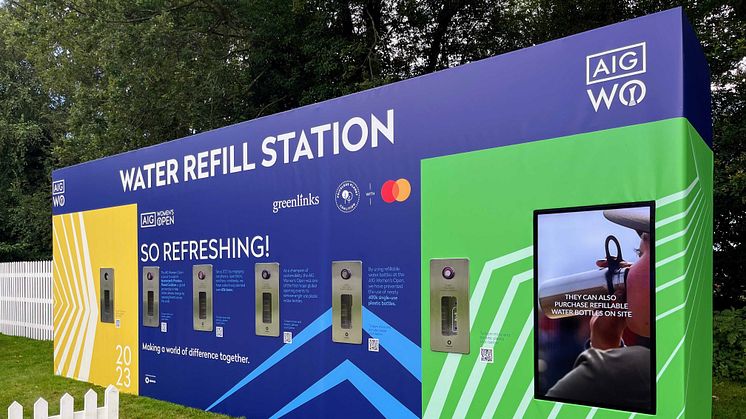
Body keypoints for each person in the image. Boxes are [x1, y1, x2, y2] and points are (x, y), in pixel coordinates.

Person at [546, 207, 652, 411]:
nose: (628, 270)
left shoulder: (629, 368)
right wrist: (606, 345)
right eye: (638, 253)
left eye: (643, 253)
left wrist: (604, 359)